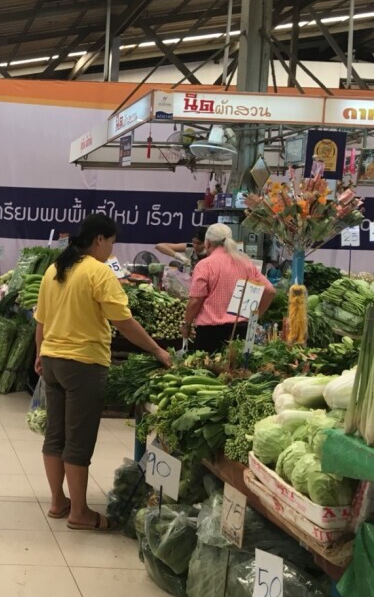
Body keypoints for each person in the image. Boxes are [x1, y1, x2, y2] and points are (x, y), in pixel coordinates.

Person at [34, 214, 172, 531]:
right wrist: (156, 349)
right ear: (99, 239)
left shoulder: (55, 269)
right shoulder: (99, 273)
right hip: (83, 363)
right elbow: (123, 321)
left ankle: (58, 502)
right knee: (78, 441)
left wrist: (39, 353)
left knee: (55, 435)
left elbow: (40, 319)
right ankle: (79, 513)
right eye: (111, 242)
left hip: (53, 360)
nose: (111, 249)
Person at [182, 223, 276, 354]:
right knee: (236, 371)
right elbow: (270, 291)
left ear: (207, 243)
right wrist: (255, 316)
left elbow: (195, 301)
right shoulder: (246, 263)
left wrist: (186, 324)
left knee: (208, 372)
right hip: (240, 330)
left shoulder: (205, 265)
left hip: (210, 333)